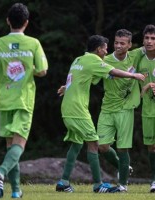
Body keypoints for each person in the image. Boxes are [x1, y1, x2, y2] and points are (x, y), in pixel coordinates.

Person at [56, 34, 145, 193]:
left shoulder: (78, 59)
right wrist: (134, 75)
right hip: (78, 110)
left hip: (67, 109)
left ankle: (63, 182)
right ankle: (98, 185)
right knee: (94, 144)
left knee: (76, 144)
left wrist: (66, 87)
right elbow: (114, 71)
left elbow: (80, 78)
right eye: (105, 48)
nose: (107, 51)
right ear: (98, 49)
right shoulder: (94, 60)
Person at [0, 3, 48, 198]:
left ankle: (16, 191)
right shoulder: (33, 43)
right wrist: (30, 71)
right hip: (24, 100)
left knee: (11, 146)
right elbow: (43, 71)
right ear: (26, 23)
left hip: (4, 99)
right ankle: (1, 172)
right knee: (19, 145)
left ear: (8, 21)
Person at [97, 29, 145, 192]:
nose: (118, 46)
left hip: (126, 108)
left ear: (130, 45)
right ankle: (123, 166)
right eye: (116, 42)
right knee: (102, 146)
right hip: (107, 108)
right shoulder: (105, 60)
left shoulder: (135, 55)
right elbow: (88, 74)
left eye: (122, 43)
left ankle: (123, 185)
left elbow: (150, 44)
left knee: (123, 148)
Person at [137, 24, 155, 193]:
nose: (149, 41)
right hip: (148, 111)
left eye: (153, 38)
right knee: (151, 147)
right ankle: (154, 180)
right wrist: (143, 90)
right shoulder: (139, 59)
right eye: (147, 38)